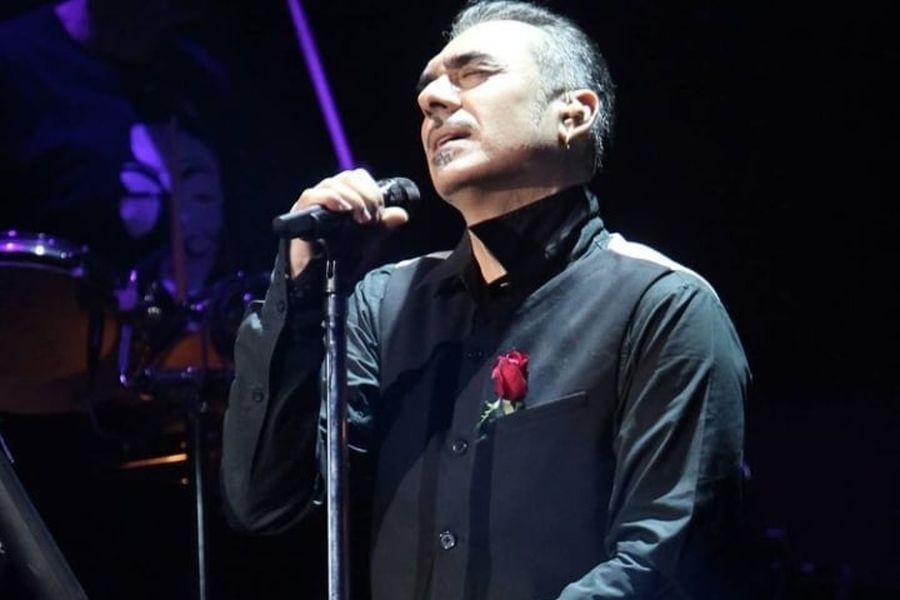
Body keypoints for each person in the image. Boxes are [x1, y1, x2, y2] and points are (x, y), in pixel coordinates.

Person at [221, 1, 754, 598]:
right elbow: (265, 502)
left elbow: (664, 562)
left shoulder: (661, 306)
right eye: (429, 88)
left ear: (573, 114)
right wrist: (301, 295)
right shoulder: (385, 304)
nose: (432, 99)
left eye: (473, 74)